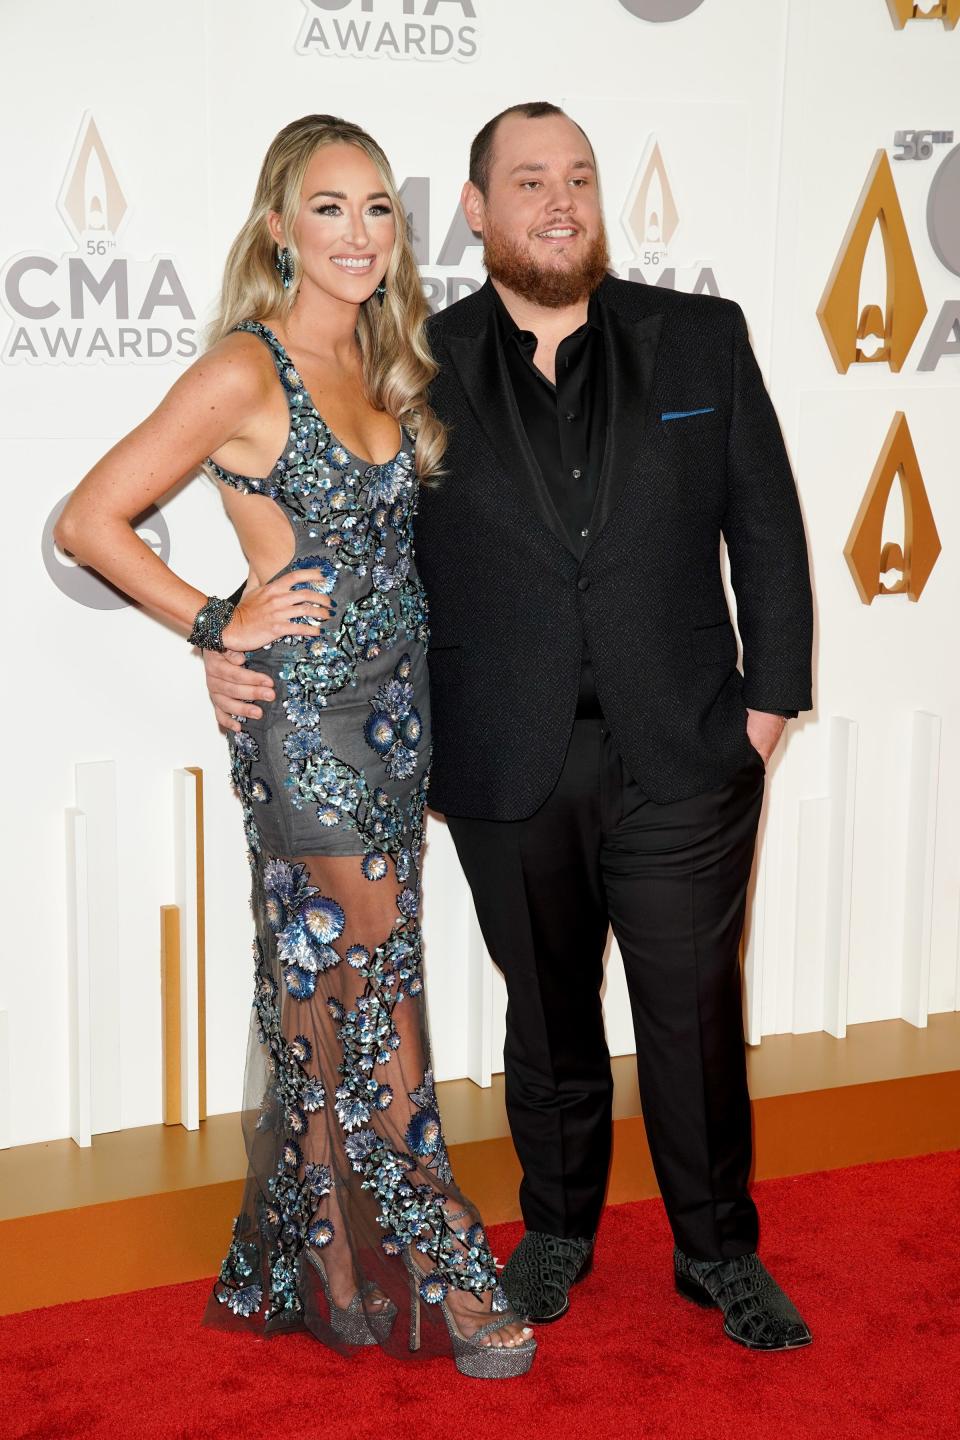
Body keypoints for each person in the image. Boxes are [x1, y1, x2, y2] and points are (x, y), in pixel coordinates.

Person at [203, 102, 815, 1352]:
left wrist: (767, 708)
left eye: (577, 178)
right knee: (544, 1013)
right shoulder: (412, 361)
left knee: (693, 1009)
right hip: (503, 758)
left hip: (686, 748)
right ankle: (558, 1231)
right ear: (477, 211)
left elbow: (767, 525)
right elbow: (348, 536)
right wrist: (225, 634)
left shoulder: (699, 339)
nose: (559, 201)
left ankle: (717, 1252)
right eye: (528, 181)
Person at [54, 114, 535, 1379]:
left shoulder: (387, 364)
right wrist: (213, 620)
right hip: (309, 736)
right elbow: (88, 518)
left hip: (395, 730)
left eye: (380, 210)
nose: (360, 235)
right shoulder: (243, 371)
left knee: (326, 1002)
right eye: (331, 209)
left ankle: (325, 1258)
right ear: (279, 225)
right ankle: (444, 1255)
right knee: (388, 1005)